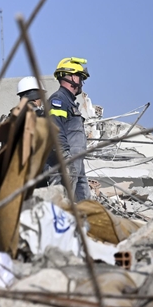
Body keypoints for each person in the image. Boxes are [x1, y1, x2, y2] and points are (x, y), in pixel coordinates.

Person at [46, 57, 91, 202]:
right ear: (72, 76)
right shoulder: (58, 100)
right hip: (64, 166)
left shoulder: (69, 102)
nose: (81, 83)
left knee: (84, 205)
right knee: (61, 207)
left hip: (76, 166)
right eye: (80, 77)